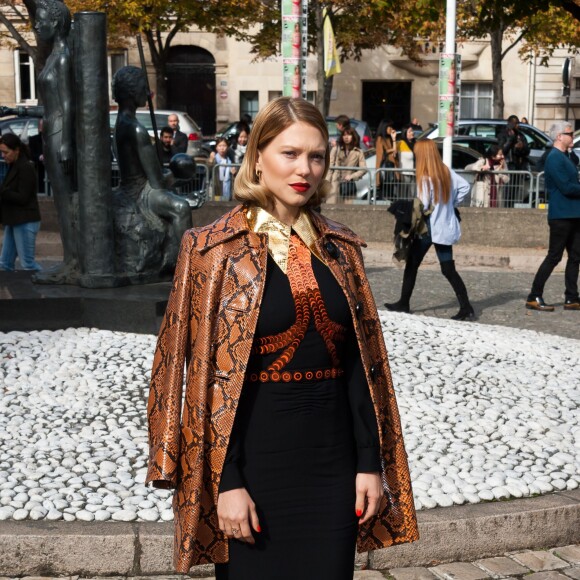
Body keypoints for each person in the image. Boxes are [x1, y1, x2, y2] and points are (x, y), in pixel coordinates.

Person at [146, 96, 418, 579]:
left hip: (334, 469)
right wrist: (224, 482)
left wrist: (369, 463)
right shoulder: (212, 250)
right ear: (257, 158)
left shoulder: (341, 248)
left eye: (316, 156)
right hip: (254, 468)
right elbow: (195, 376)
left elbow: (360, 368)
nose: (304, 169)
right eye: (289, 154)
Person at [385, 139, 475, 320]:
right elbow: (465, 186)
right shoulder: (446, 171)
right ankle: (466, 307)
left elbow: (423, 204)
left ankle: (404, 303)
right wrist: (451, 203)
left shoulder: (426, 177)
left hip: (428, 229)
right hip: (444, 226)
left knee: (412, 264)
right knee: (448, 269)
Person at [34, 0, 78, 282]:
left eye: (41, 21)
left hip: (59, 133)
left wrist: (65, 143)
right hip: (51, 130)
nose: (36, 25)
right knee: (60, 200)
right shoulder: (53, 56)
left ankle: (73, 262)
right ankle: (68, 259)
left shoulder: (63, 57)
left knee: (65, 201)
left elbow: (68, 102)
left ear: (57, 23)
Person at [526, 121, 580, 312]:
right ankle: (534, 295)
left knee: (575, 257)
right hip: (561, 215)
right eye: (569, 133)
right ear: (559, 137)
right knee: (554, 256)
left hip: (574, 214)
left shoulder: (567, 157)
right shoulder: (554, 158)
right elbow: (566, 187)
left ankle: (572, 297)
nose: (572, 136)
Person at [0, 133, 42, 271]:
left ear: (16, 150)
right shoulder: (15, 165)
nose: (3, 156)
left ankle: (49, 284)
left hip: (25, 220)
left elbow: (23, 197)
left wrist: (3, 191)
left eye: (6, 152)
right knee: (5, 264)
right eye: (2, 152)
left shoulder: (25, 167)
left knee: (28, 264)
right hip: (14, 220)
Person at [328, 125, 366, 202]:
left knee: (348, 210)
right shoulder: (336, 148)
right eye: (344, 135)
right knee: (331, 208)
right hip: (335, 183)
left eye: (349, 135)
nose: (346, 137)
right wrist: (326, 182)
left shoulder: (358, 152)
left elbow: (364, 169)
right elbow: (330, 166)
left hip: (349, 184)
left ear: (353, 136)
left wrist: (352, 176)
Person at [374, 120, 398, 200]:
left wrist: (394, 139)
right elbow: (381, 154)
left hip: (391, 170)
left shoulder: (389, 138)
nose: (391, 129)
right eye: (389, 127)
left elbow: (395, 152)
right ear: (384, 127)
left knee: (391, 195)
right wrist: (391, 150)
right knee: (385, 196)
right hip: (384, 171)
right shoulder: (380, 139)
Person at [398, 124, 416, 198]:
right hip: (405, 173)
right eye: (410, 131)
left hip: (414, 173)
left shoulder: (415, 143)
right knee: (404, 194)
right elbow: (394, 152)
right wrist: (393, 140)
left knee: (413, 195)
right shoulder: (401, 143)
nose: (412, 133)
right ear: (405, 133)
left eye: (412, 131)